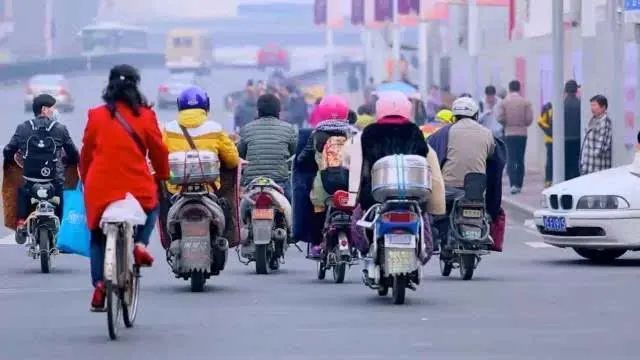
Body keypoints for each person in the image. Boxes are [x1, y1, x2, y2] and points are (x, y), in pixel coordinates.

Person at [81, 64, 170, 311]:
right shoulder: (145, 115)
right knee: (152, 206)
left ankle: (99, 286)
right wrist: (162, 175)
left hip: (100, 186)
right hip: (136, 184)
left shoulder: (96, 115)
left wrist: (86, 178)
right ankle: (140, 244)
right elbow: (159, 150)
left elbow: (86, 153)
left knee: (98, 236)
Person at [350, 91, 435, 263]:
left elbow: (364, 166)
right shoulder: (414, 131)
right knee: (422, 216)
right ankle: (424, 249)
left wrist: (356, 193)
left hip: (376, 194)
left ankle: (367, 250)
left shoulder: (370, 132)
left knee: (358, 219)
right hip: (412, 192)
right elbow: (423, 156)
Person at [160, 86, 241, 247]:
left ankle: (169, 239)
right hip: (209, 188)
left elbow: (160, 157)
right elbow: (232, 161)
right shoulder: (215, 129)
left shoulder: (168, 130)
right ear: (206, 106)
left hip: (176, 189)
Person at [3, 94, 80, 244]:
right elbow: (74, 154)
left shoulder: (23, 128)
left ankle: (20, 223)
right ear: (44, 109)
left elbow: (8, 151)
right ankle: (62, 225)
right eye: (52, 108)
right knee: (63, 192)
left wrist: (16, 159)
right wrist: (67, 161)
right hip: (54, 181)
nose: (54, 111)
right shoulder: (60, 129)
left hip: (30, 181)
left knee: (22, 190)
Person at [296, 95, 352, 258]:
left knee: (317, 209)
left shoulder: (316, 135)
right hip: (349, 184)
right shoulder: (351, 135)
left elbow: (303, 158)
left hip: (324, 185)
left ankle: (316, 244)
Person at [238, 93, 297, 199]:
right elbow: (294, 151)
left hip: (252, 183)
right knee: (292, 208)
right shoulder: (288, 129)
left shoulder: (246, 129)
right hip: (279, 182)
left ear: (258, 110)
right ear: (278, 110)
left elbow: (240, 153)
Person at [497, 80, 533, 194]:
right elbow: (529, 119)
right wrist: (522, 124)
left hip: (509, 133)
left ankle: (513, 184)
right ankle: (519, 183)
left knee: (511, 158)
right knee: (520, 158)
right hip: (522, 133)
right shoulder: (525, 102)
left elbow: (499, 117)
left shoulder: (504, 103)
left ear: (509, 88)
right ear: (519, 88)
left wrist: (506, 123)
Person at [580, 95, 612, 175]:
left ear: (603, 107)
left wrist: (593, 153)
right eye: (591, 105)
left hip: (598, 167)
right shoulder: (593, 119)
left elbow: (601, 147)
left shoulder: (605, 122)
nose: (592, 108)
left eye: (594, 105)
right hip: (589, 165)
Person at [563, 80, 581, 180]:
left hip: (564, 139)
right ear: (576, 90)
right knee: (576, 164)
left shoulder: (561, 104)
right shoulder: (580, 104)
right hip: (577, 138)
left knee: (566, 164)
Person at [537, 102, 553, 187]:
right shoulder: (548, 107)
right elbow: (540, 121)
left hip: (564, 140)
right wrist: (550, 132)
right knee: (550, 160)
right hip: (550, 140)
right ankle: (548, 180)